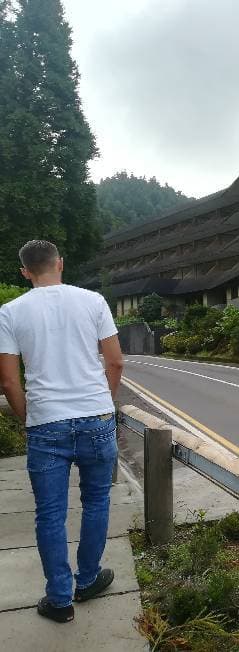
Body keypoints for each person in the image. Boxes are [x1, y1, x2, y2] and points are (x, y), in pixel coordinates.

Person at [0, 240, 124, 624]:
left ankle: (59, 600)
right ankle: (87, 580)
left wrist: (29, 419)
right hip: (96, 419)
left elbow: (7, 381)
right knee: (97, 502)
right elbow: (115, 361)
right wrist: (102, 406)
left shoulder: (10, 311)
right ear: (61, 264)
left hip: (46, 423)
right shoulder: (93, 301)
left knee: (50, 515)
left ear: (25, 272)